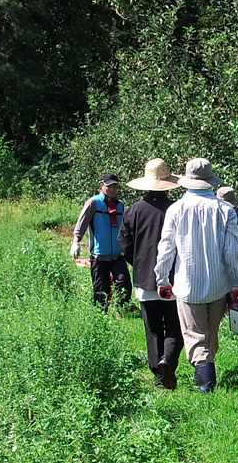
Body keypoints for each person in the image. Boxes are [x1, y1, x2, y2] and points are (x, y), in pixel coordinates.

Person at [154, 158, 238, 393]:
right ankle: (207, 376)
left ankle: (206, 384)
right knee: (210, 333)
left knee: (195, 334)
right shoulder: (226, 210)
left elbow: (166, 248)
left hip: (187, 283)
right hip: (218, 283)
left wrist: (162, 278)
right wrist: (237, 282)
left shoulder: (175, 209)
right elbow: (233, 250)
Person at [119, 158, 182, 390]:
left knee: (153, 329)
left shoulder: (133, 211)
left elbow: (123, 243)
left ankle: (158, 376)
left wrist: (138, 262)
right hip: (174, 279)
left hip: (145, 279)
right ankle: (169, 361)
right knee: (175, 326)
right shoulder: (177, 209)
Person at [72, 172, 131, 309]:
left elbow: (124, 228)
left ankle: (121, 311)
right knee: (101, 289)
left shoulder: (120, 205)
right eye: (109, 186)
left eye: (115, 186)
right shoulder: (93, 203)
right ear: (102, 186)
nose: (112, 189)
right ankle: (100, 315)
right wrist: (76, 242)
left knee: (124, 283)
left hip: (117, 254)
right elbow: (82, 222)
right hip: (99, 255)